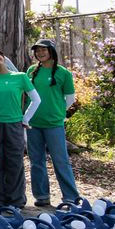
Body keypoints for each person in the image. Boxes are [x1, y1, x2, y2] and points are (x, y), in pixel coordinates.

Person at [0, 47, 40, 208]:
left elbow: (36, 99)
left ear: (3, 56)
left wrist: (25, 118)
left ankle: (16, 200)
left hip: (15, 124)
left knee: (15, 162)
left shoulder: (20, 77)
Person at [26, 39, 80, 207]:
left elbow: (70, 98)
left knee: (60, 159)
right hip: (33, 123)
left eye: (43, 50)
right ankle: (42, 196)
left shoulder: (63, 73)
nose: (40, 54)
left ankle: (70, 196)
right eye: (37, 51)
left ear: (51, 51)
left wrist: (58, 111)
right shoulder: (31, 71)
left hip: (54, 123)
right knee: (36, 160)